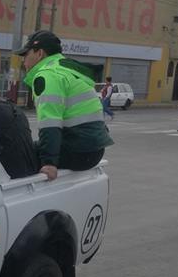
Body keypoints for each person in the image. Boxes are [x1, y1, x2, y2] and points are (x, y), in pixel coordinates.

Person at [19, 30, 113, 180]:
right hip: (94, 149)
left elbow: (50, 123)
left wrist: (49, 163)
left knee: (19, 154)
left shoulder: (47, 75)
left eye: (25, 54)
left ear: (40, 53)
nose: (23, 60)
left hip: (79, 151)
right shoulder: (67, 70)